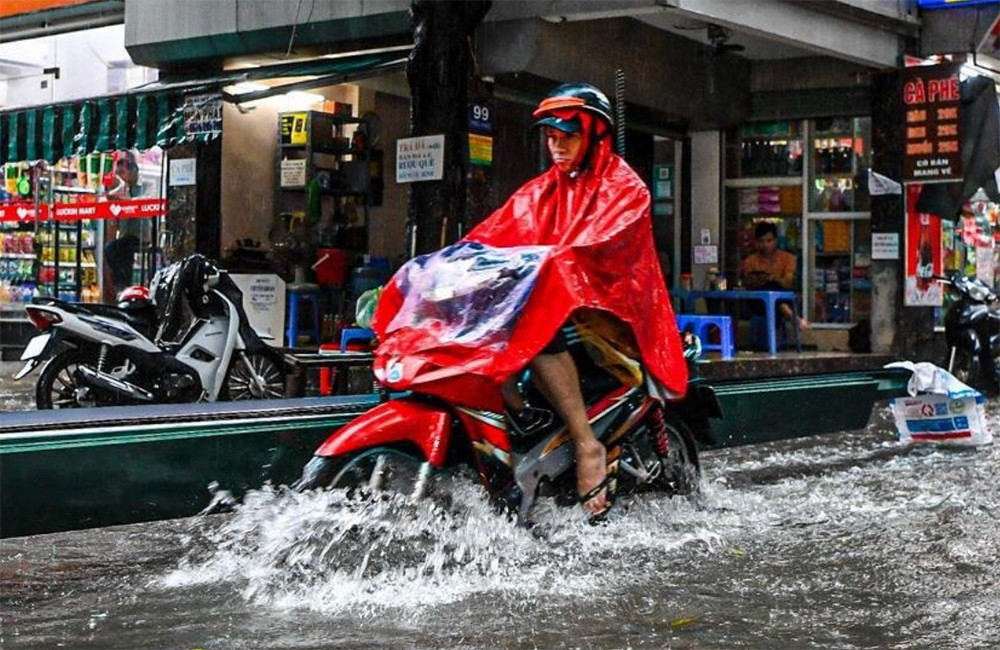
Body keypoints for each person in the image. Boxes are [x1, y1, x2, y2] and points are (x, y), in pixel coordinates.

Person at [740, 221, 808, 330]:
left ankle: (785, 314)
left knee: (773, 288)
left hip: (782, 296)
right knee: (767, 290)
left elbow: (787, 283)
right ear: (756, 243)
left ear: (776, 241)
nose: (765, 245)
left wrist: (772, 278)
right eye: (761, 241)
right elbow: (748, 284)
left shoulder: (787, 258)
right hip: (758, 302)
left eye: (769, 241)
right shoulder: (750, 261)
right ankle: (792, 317)